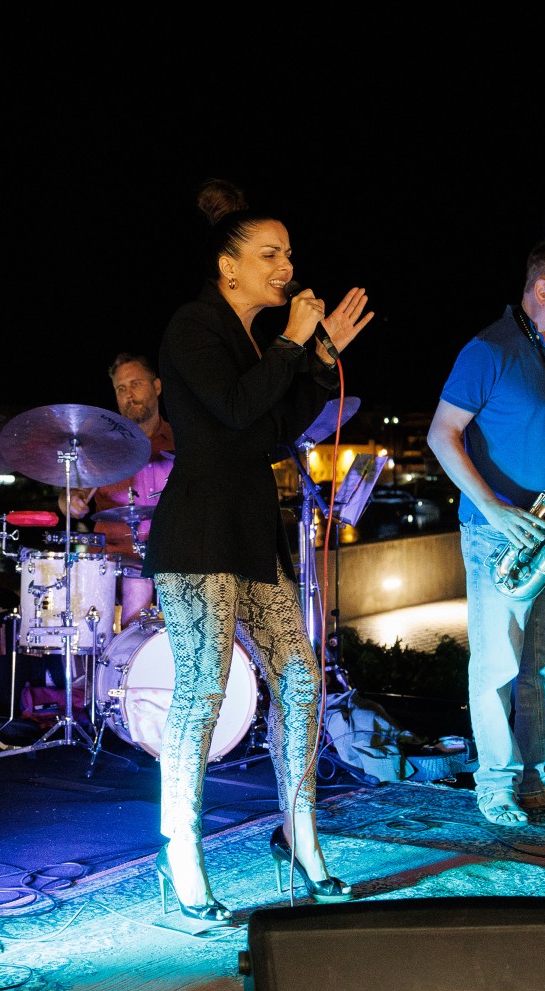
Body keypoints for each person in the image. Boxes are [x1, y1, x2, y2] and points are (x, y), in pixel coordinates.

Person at [143, 180, 373, 923]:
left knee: (301, 682)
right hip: (198, 533)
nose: (287, 267)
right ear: (229, 267)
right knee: (203, 689)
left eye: (289, 253)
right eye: (271, 254)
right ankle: (181, 849)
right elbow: (236, 408)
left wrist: (321, 356)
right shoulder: (192, 326)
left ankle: (300, 835)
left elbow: (274, 429)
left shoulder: (254, 342)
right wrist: (295, 342)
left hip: (251, 533)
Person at [426, 237, 545, 826]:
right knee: (498, 667)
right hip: (501, 533)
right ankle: (495, 784)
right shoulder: (487, 350)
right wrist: (493, 509)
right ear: (543, 289)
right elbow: (441, 434)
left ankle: (544, 777)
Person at [62, 353, 176, 625]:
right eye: (121, 389)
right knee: (133, 580)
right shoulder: (102, 448)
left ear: (157, 386)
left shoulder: (181, 442)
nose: (129, 395)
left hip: (171, 559)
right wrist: (70, 501)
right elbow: (72, 497)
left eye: (136, 384)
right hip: (110, 562)